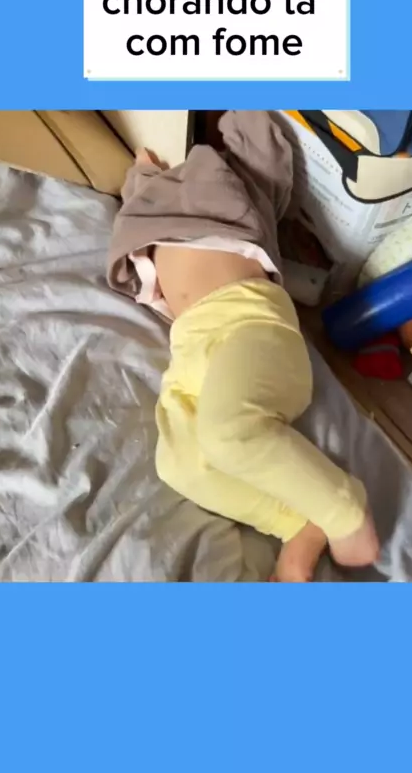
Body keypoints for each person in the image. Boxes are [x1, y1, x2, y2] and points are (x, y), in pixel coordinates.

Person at [108, 111, 380, 582]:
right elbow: (135, 191)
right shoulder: (147, 209)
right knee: (177, 464)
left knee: (228, 431)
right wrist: (142, 172)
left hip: (248, 322)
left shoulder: (232, 188)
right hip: (189, 349)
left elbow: (261, 145)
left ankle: (343, 509)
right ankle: (297, 524)